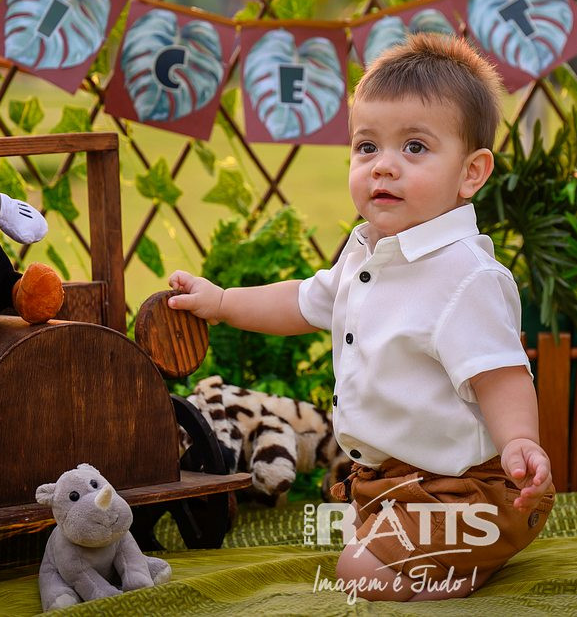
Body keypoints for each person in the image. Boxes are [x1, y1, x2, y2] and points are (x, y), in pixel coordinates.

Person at [168, 34, 554, 602]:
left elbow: (501, 374)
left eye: (415, 147)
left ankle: (472, 562)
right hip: (394, 482)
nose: (384, 167)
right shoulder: (370, 254)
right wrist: (223, 303)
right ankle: (447, 553)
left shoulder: (464, 275)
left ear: (470, 173)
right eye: (367, 147)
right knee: (341, 531)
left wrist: (521, 441)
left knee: (356, 571)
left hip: (471, 490)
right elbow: (303, 301)